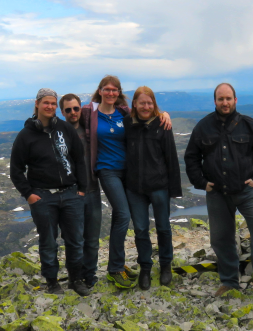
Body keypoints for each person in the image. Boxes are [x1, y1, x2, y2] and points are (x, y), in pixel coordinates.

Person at [184, 83, 253, 297]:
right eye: (221, 99)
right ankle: (229, 281)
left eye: (228, 98)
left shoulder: (249, 124)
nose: (225, 102)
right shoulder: (203, 126)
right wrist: (202, 183)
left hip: (247, 191)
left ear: (235, 100)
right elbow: (191, 157)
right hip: (217, 193)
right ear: (215, 101)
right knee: (221, 237)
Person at [79, 75, 171, 289]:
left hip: (129, 172)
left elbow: (147, 112)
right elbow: (71, 121)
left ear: (119, 93)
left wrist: (164, 114)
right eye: (107, 89)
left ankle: (118, 264)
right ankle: (114, 269)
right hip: (106, 170)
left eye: (115, 90)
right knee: (123, 214)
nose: (111, 93)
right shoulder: (89, 113)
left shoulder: (124, 113)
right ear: (100, 91)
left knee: (125, 218)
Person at [10, 88, 90, 297]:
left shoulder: (65, 129)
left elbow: (79, 159)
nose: (50, 107)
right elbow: (16, 169)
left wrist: (82, 189)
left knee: (75, 240)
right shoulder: (26, 136)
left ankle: (75, 279)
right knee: (48, 241)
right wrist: (29, 194)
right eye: (46, 103)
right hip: (43, 196)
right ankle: (52, 282)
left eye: (53, 104)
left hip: (71, 194)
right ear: (37, 104)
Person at [123, 86, 182, 290]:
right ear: (135, 104)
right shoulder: (127, 123)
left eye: (149, 103)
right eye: (142, 103)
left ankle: (165, 265)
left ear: (154, 104)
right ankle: (145, 268)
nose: (146, 107)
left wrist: (174, 189)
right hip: (135, 188)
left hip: (159, 186)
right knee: (140, 230)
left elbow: (171, 157)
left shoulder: (162, 124)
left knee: (163, 228)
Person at [59, 93, 101, 289]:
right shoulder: (58, 133)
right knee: (74, 240)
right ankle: (75, 277)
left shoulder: (89, 130)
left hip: (92, 190)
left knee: (92, 239)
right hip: (70, 193)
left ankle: (89, 275)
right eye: (68, 110)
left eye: (76, 108)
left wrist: (163, 114)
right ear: (62, 112)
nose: (73, 113)